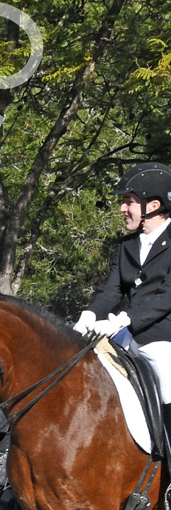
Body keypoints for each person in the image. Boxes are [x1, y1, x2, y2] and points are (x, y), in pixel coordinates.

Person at [75, 162, 171, 433]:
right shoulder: (127, 246)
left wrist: (124, 318)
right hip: (123, 334)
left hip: (162, 337)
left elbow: (166, 296)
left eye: (128, 202)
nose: (122, 209)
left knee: (166, 384)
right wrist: (89, 315)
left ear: (152, 206)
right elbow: (112, 290)